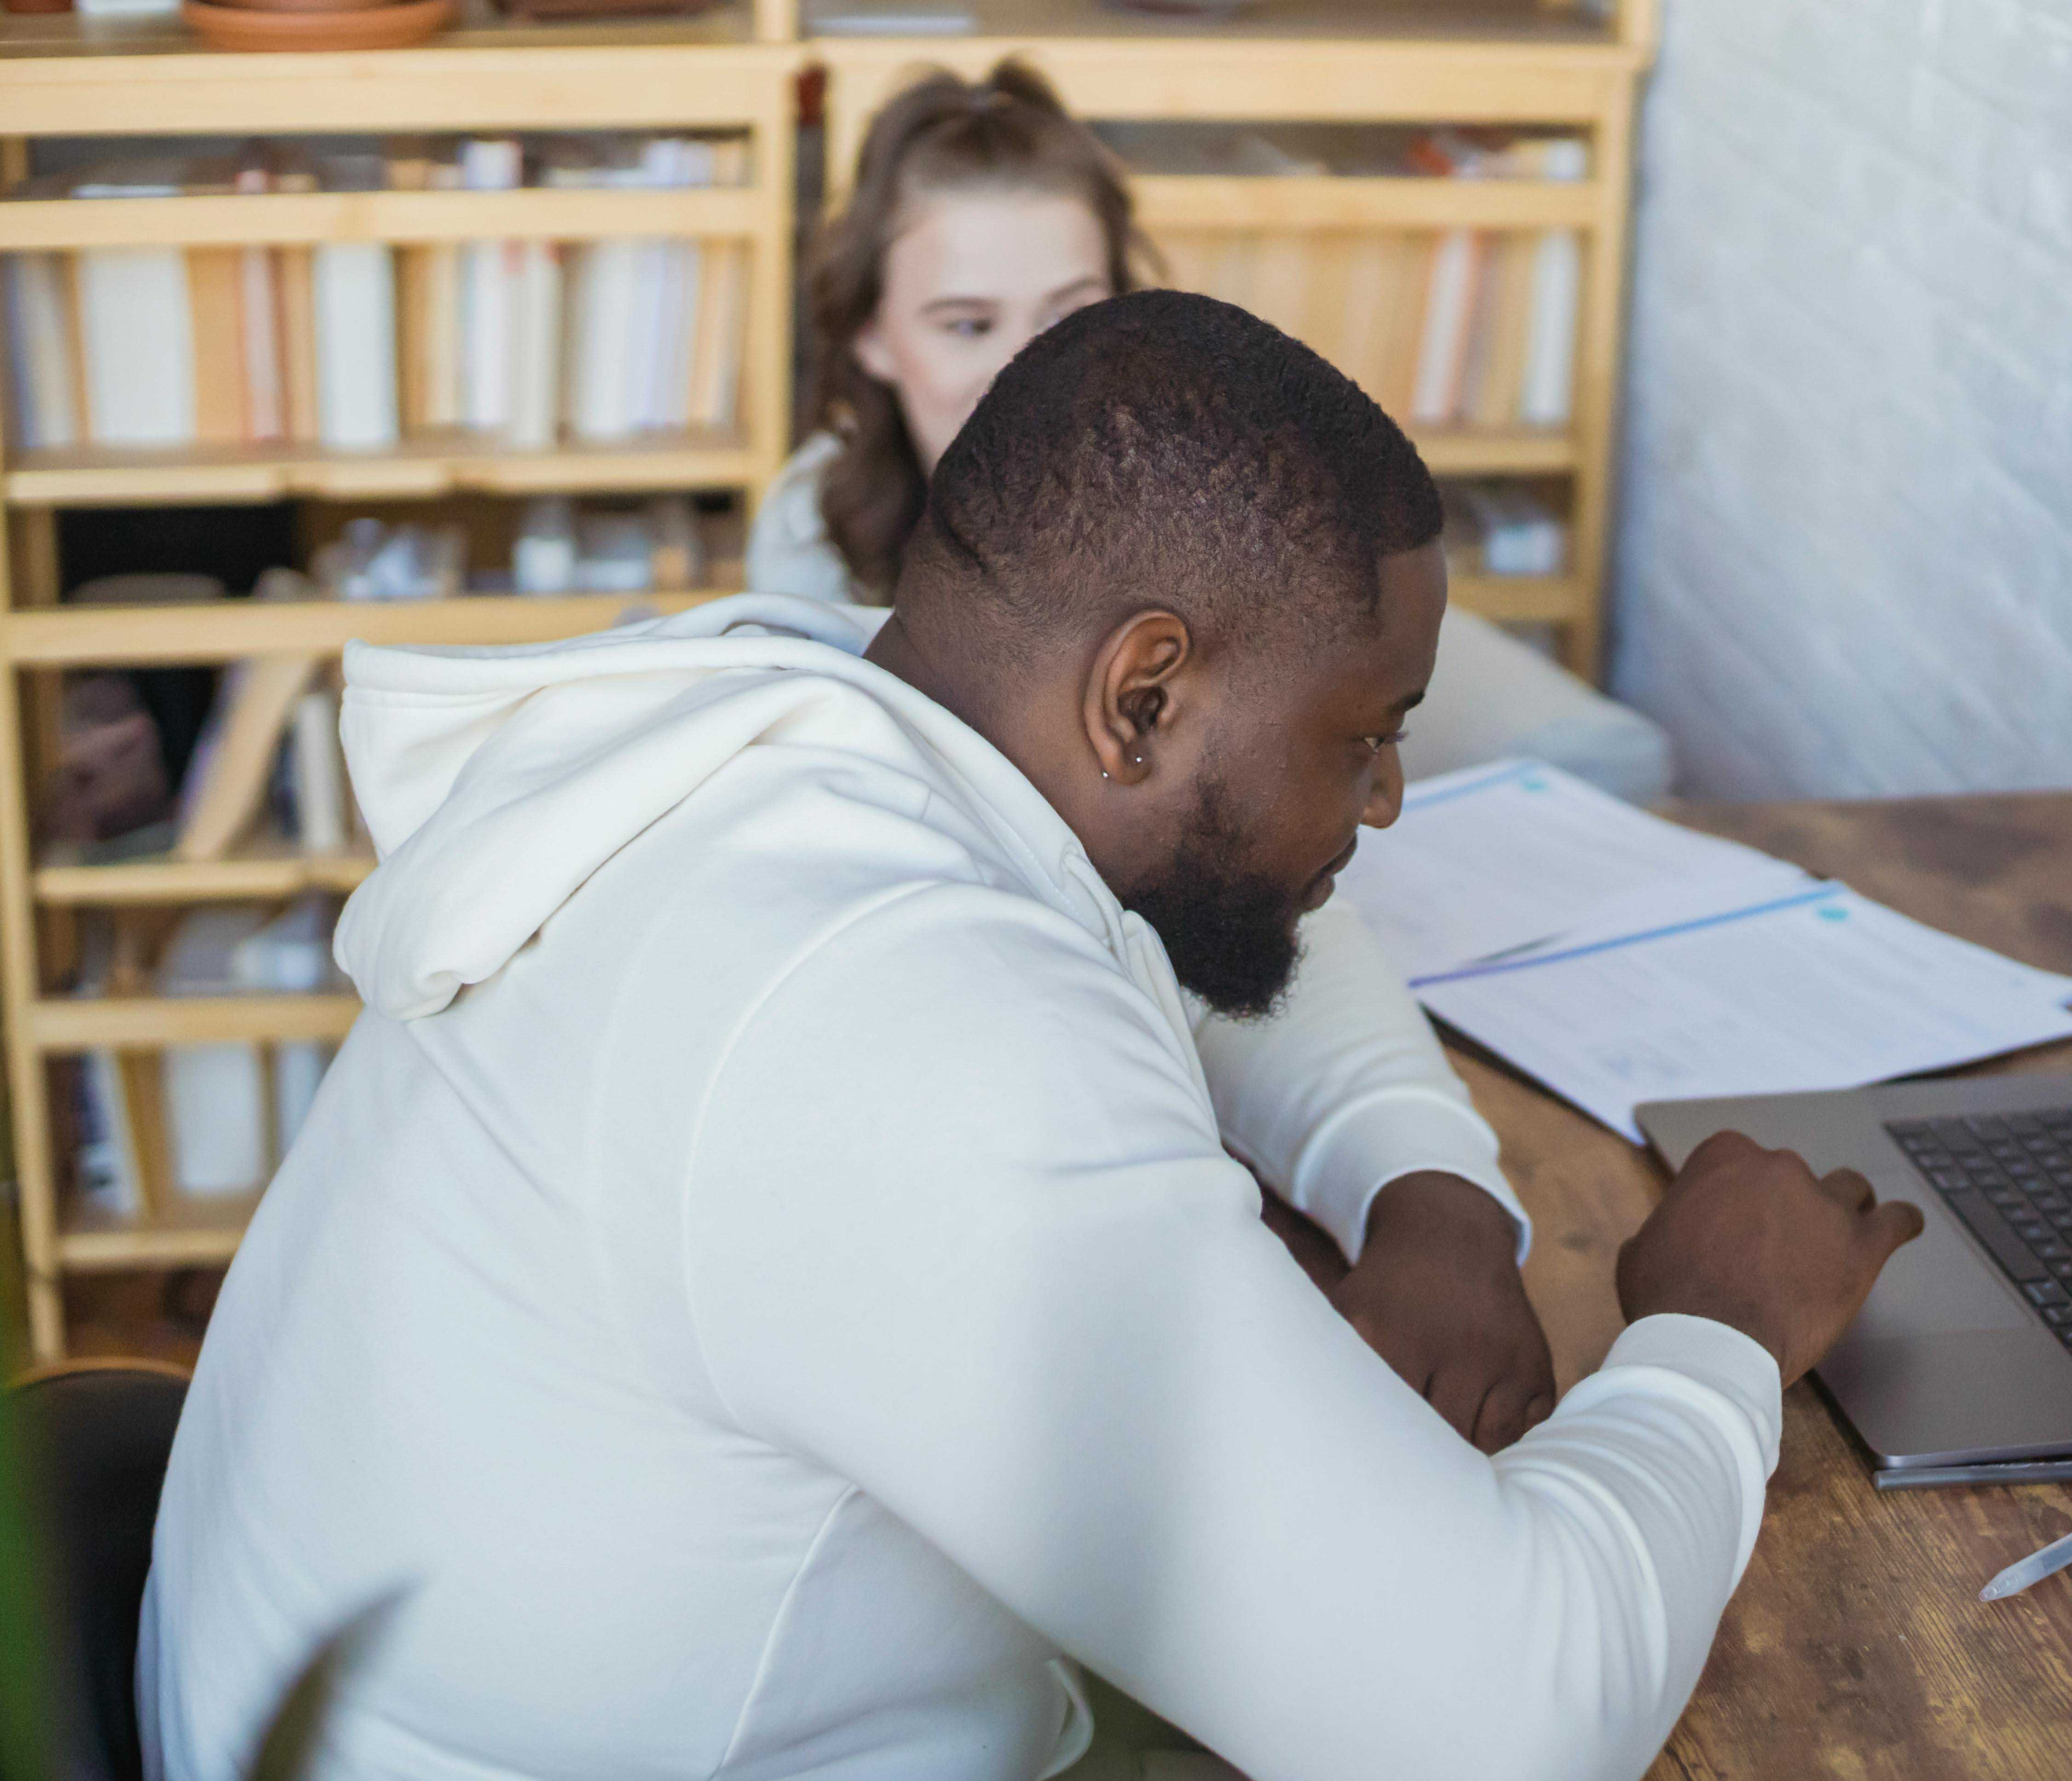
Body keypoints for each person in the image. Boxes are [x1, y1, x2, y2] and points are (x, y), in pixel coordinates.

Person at [142, 293, 1920, 1781]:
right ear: (1142, 690)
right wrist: (1713, 1332)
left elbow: (1263, 909)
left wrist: (1428, 1185)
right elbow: (1504, 1721)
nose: (1383, 801)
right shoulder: (896, 1028)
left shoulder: (829, 711)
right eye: (1363, 735)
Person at [752, 59, 1674, 801]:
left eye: (1068, 312)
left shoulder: (1205, 466)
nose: (1024, 369)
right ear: (872, 336)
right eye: (965, 324)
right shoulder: (812, 528)